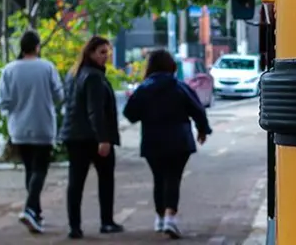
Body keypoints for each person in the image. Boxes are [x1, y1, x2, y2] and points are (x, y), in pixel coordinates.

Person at [123, 49, 213, 239]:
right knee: (173, 178)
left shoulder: (144, 88)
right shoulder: (180, 87)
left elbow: (130, 113)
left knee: (159, 178)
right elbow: (197, 109)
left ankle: (160, 217)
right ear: (171, 66)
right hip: (179, 141)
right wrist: (203, 130)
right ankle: (170, 217)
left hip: (152, 141)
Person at [0, 30, 64, 234]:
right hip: (43, 126)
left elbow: (3, 102)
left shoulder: (9, 70)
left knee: (29, 169)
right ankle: (29, 209)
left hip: (19, 128)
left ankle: (36, 213)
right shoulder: (47, 67)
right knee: (40, 170)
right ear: (37, 46)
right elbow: (59, 95)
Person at [59, 36, 123, 239]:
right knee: (105, 179)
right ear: (91, 53)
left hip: (73, 135)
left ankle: (74, 226)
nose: (106, 57)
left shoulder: (74, 74)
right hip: (91, 137)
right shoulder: (93, 77)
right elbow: (94, 111)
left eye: (108, 52)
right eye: (102, 52)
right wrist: (103, 139)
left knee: (75, 182)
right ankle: (106, 221)